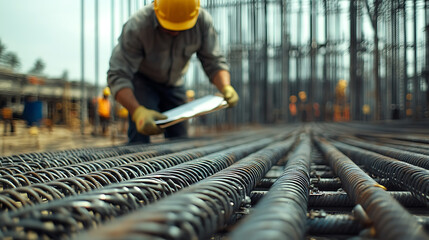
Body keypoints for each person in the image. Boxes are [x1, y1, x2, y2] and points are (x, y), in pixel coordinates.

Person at [107, 0, 239, 143]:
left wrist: (225, 87)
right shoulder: (138, 25)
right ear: (156, 11)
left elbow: (213, 62)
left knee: (180, 138)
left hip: (175, 82)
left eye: (183, 28)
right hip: (143, 82)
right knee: (140, 136)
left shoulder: (202, 22)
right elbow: (117, 75)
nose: (176, 32)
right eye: (169, 28)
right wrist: (137, 111)